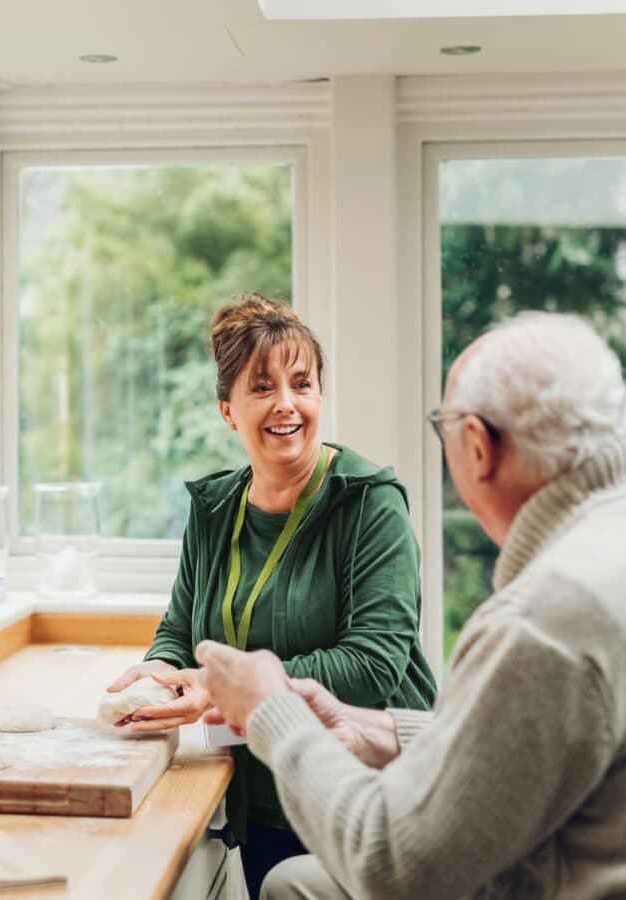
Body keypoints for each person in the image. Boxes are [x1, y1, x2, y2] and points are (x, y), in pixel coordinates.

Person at [197, 311, 626, 899]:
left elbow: (393, 864)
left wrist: (272, 712)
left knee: (292, 887)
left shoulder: (548, 620)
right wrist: (379, 731)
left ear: (476, 445)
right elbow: (537, 743)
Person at [106, 293, 437, 899]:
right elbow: (181, 628)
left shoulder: (369, 502)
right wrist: (161, 672)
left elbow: (371, 668)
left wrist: (228, 690)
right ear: (228, 410)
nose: (287, 404)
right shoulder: (214, 508)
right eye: (262, 387)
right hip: (257, 788)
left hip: (364, 790)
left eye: (302, 383)